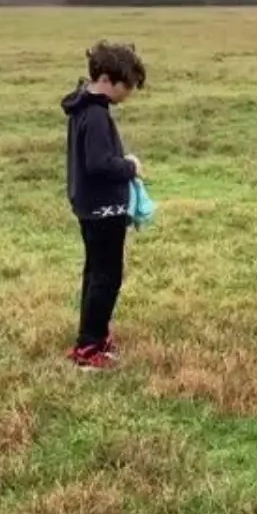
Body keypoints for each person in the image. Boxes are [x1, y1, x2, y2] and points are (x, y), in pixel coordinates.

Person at [61, 41, 147, 370]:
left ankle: (92, 337)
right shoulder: (95, 114)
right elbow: (98, 163)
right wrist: (130, 166)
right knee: (106, 277)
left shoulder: (83, 107)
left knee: (96, 273)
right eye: (127, 86)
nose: (129, 94)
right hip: (103, 209)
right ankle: (89, 349)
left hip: (89, 206)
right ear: (108, 79)